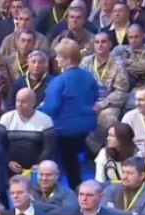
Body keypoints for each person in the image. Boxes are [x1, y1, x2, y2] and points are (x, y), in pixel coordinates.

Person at [39, 38, 99, 190]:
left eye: (59, 56)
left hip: (65, 129)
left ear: (68, 59)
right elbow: (94, 97)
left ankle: (62, 188)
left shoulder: (60, 81)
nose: (56, 59)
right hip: (87, 126)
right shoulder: (89, 76)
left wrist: (38, 109)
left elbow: (50, 108)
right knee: (72, 158)